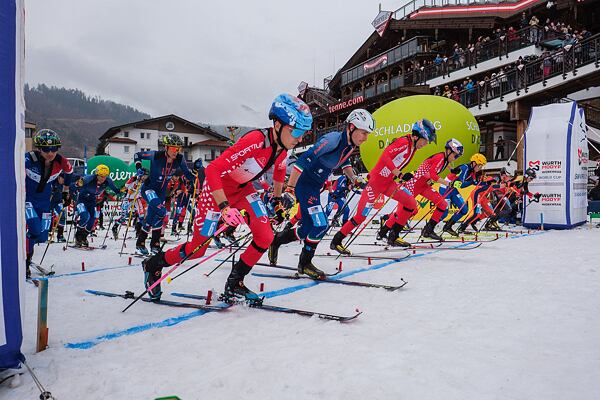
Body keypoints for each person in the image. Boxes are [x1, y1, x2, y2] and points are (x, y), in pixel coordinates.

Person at [141, 93, 312, 302]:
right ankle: (153, 264)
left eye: (304, 133)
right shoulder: (256, 140)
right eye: (296, 131)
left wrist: (277, 200)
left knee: (266, 235)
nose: (300, 138)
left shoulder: (282, 150)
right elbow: (213, 170)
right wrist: (224, 207)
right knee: (198, 249)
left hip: (243, 190)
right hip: (216, 192)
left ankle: (235, 283)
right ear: (277, 124)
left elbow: (278, 174)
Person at [268, 109, 375, 278]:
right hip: (305, 185)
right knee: (321, 224)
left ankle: (277, 240)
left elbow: (344, 161)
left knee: (306, 230)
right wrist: (289, 189)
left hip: (315, 187)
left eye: (367, 134)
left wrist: (354, 178)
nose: (365, 138)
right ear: (352, 127)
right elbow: (302, 161)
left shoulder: (350, 145)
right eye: (363, 133)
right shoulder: (331, 140)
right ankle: (305, 263)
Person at [331, 118, 436, 254]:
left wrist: (403, 175)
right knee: (360, 216)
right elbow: (385, 156)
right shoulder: (404, 142)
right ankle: (336, 240)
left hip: (389, 183)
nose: (426, 144)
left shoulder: (412, 147)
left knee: (410, 203)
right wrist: (398, 173)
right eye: (425, 140)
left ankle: (393, 236)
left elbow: (396, 162)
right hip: (375, 184)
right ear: (416, 136)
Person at [383, 138, 464, 243]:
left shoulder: (444, 159)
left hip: (424, 186)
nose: (456, 158)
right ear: (448, 151)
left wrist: (451, 170)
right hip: (414, 185)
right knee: (403, 212)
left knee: (442, 204)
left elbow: (441, 165)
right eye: (455, 155)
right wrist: (449, 183)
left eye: (458, 156)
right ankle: (384, 231)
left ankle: (428, 230)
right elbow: (434, 176)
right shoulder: (440, 157)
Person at [133, 134, 195, 255]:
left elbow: (188, 175)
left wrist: (196, 171)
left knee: (153, 216)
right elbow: (137, 155)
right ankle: (149, 242)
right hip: (149, 189)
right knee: (161, 212)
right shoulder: (156, 155)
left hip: (161, 193)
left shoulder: (180, 159)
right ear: (166, 147)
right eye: (173, 148)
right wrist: (139, 168)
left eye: (178, 149)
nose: (176, 151)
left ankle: (148, 244)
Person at [25, 129, 73, 278]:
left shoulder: (61, 161)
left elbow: (70, 174)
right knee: (34, 227)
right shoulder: (28, 159)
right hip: (28, 201)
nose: (50, 153)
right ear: (39, 149)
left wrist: (66, 192)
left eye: (54, 149)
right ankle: (25, 261)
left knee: (42, 237)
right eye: (46, 149)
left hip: (45, 203)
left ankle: (26, 250)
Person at [72, 165, 120, 247]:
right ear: (97, 174)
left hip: (92, 201)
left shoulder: (108, 181)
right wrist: (77, 185)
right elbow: (75, 185)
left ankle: (84, 237)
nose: (103, 178)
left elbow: (116, 190)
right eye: (101, 176)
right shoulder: (89, 178)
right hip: (82, 200)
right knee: (85, 216)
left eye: (105, 176)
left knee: (93, 219)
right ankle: (78, 236)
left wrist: (123, 191)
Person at [440, 153, 487, 236]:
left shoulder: (472, 172)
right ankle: (429, 228)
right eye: (479, 166)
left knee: (464, 209)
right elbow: (461, 185)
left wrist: (486, 183)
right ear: (474, 163)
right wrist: (472, 182)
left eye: (481, 166)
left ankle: (448, 226)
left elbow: (474, 183)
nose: (480, 168)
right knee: (445, 212)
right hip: (445, 187)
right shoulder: (464, 168)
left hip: (453, 189)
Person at [112, 168, 148, 240]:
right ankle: (115, 227)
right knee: (124, 216)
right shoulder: (133, 179)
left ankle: (138, 232)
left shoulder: (145, 182)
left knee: (141, 215)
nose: (145, 177)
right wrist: (127, 190)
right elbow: (125, 187)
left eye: (146, 176)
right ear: (140, 175)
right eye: (144, 176)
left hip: (137, 198)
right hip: (128, 198)